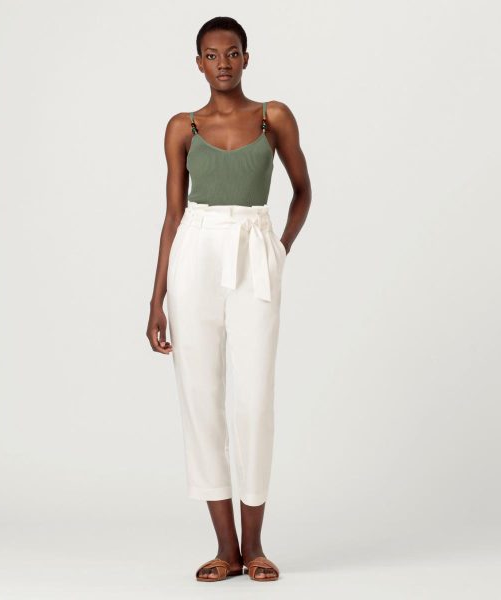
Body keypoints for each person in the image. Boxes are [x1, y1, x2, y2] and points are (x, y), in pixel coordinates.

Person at [146, 16, 312, 582]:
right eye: (212, 55)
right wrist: (156, 299)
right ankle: (226, 549)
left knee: (255, 399)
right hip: (194, 251)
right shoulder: (182, 127)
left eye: (233, 52)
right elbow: (172, 215)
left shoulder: (273, 117)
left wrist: (278, 249)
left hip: (253, 247)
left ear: (246, 57)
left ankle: (255, 544)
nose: (223, 63)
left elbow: (303, 190)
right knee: (200, 395)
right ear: (198, 63)